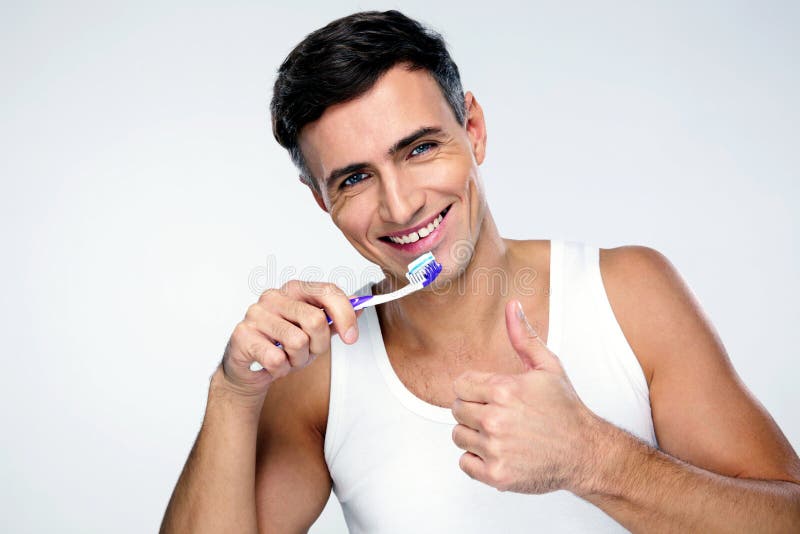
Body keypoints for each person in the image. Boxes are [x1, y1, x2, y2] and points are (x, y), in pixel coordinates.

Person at [160, 10, 800, 533]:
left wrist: (591, 458)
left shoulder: (629, 292)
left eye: (419, 148)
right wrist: (234, 395)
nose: (402, 205)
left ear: (474, 129)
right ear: (323, 202)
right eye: (355, 179)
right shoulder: (322, 373)